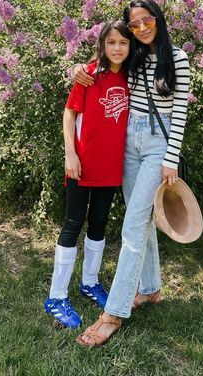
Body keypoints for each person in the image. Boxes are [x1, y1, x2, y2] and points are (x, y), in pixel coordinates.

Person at [73, 0, 190, 347]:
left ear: (158, 19)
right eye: (133, 23)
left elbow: (180, 110)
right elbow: (103, 65)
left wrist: (172, 157)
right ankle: (150, 288)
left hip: (158, 145)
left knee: (131, 227)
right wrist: (78, 69)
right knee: (141, 220)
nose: (140, 28)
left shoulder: (178, 59)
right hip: (128, 143)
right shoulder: (134, 56)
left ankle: (114, 312)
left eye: (145, 21)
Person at [44, 20, 131, 328]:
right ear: (102, 46)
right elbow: (69, 113)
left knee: (99, 223)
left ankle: (90, 282)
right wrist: (70, 153)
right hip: (81, 164)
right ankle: (56, 296)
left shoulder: (133, 78)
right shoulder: (89, 74)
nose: (117, 48)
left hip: (111, 167)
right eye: (111, 42)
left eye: (123, 42)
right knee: (73, 223)